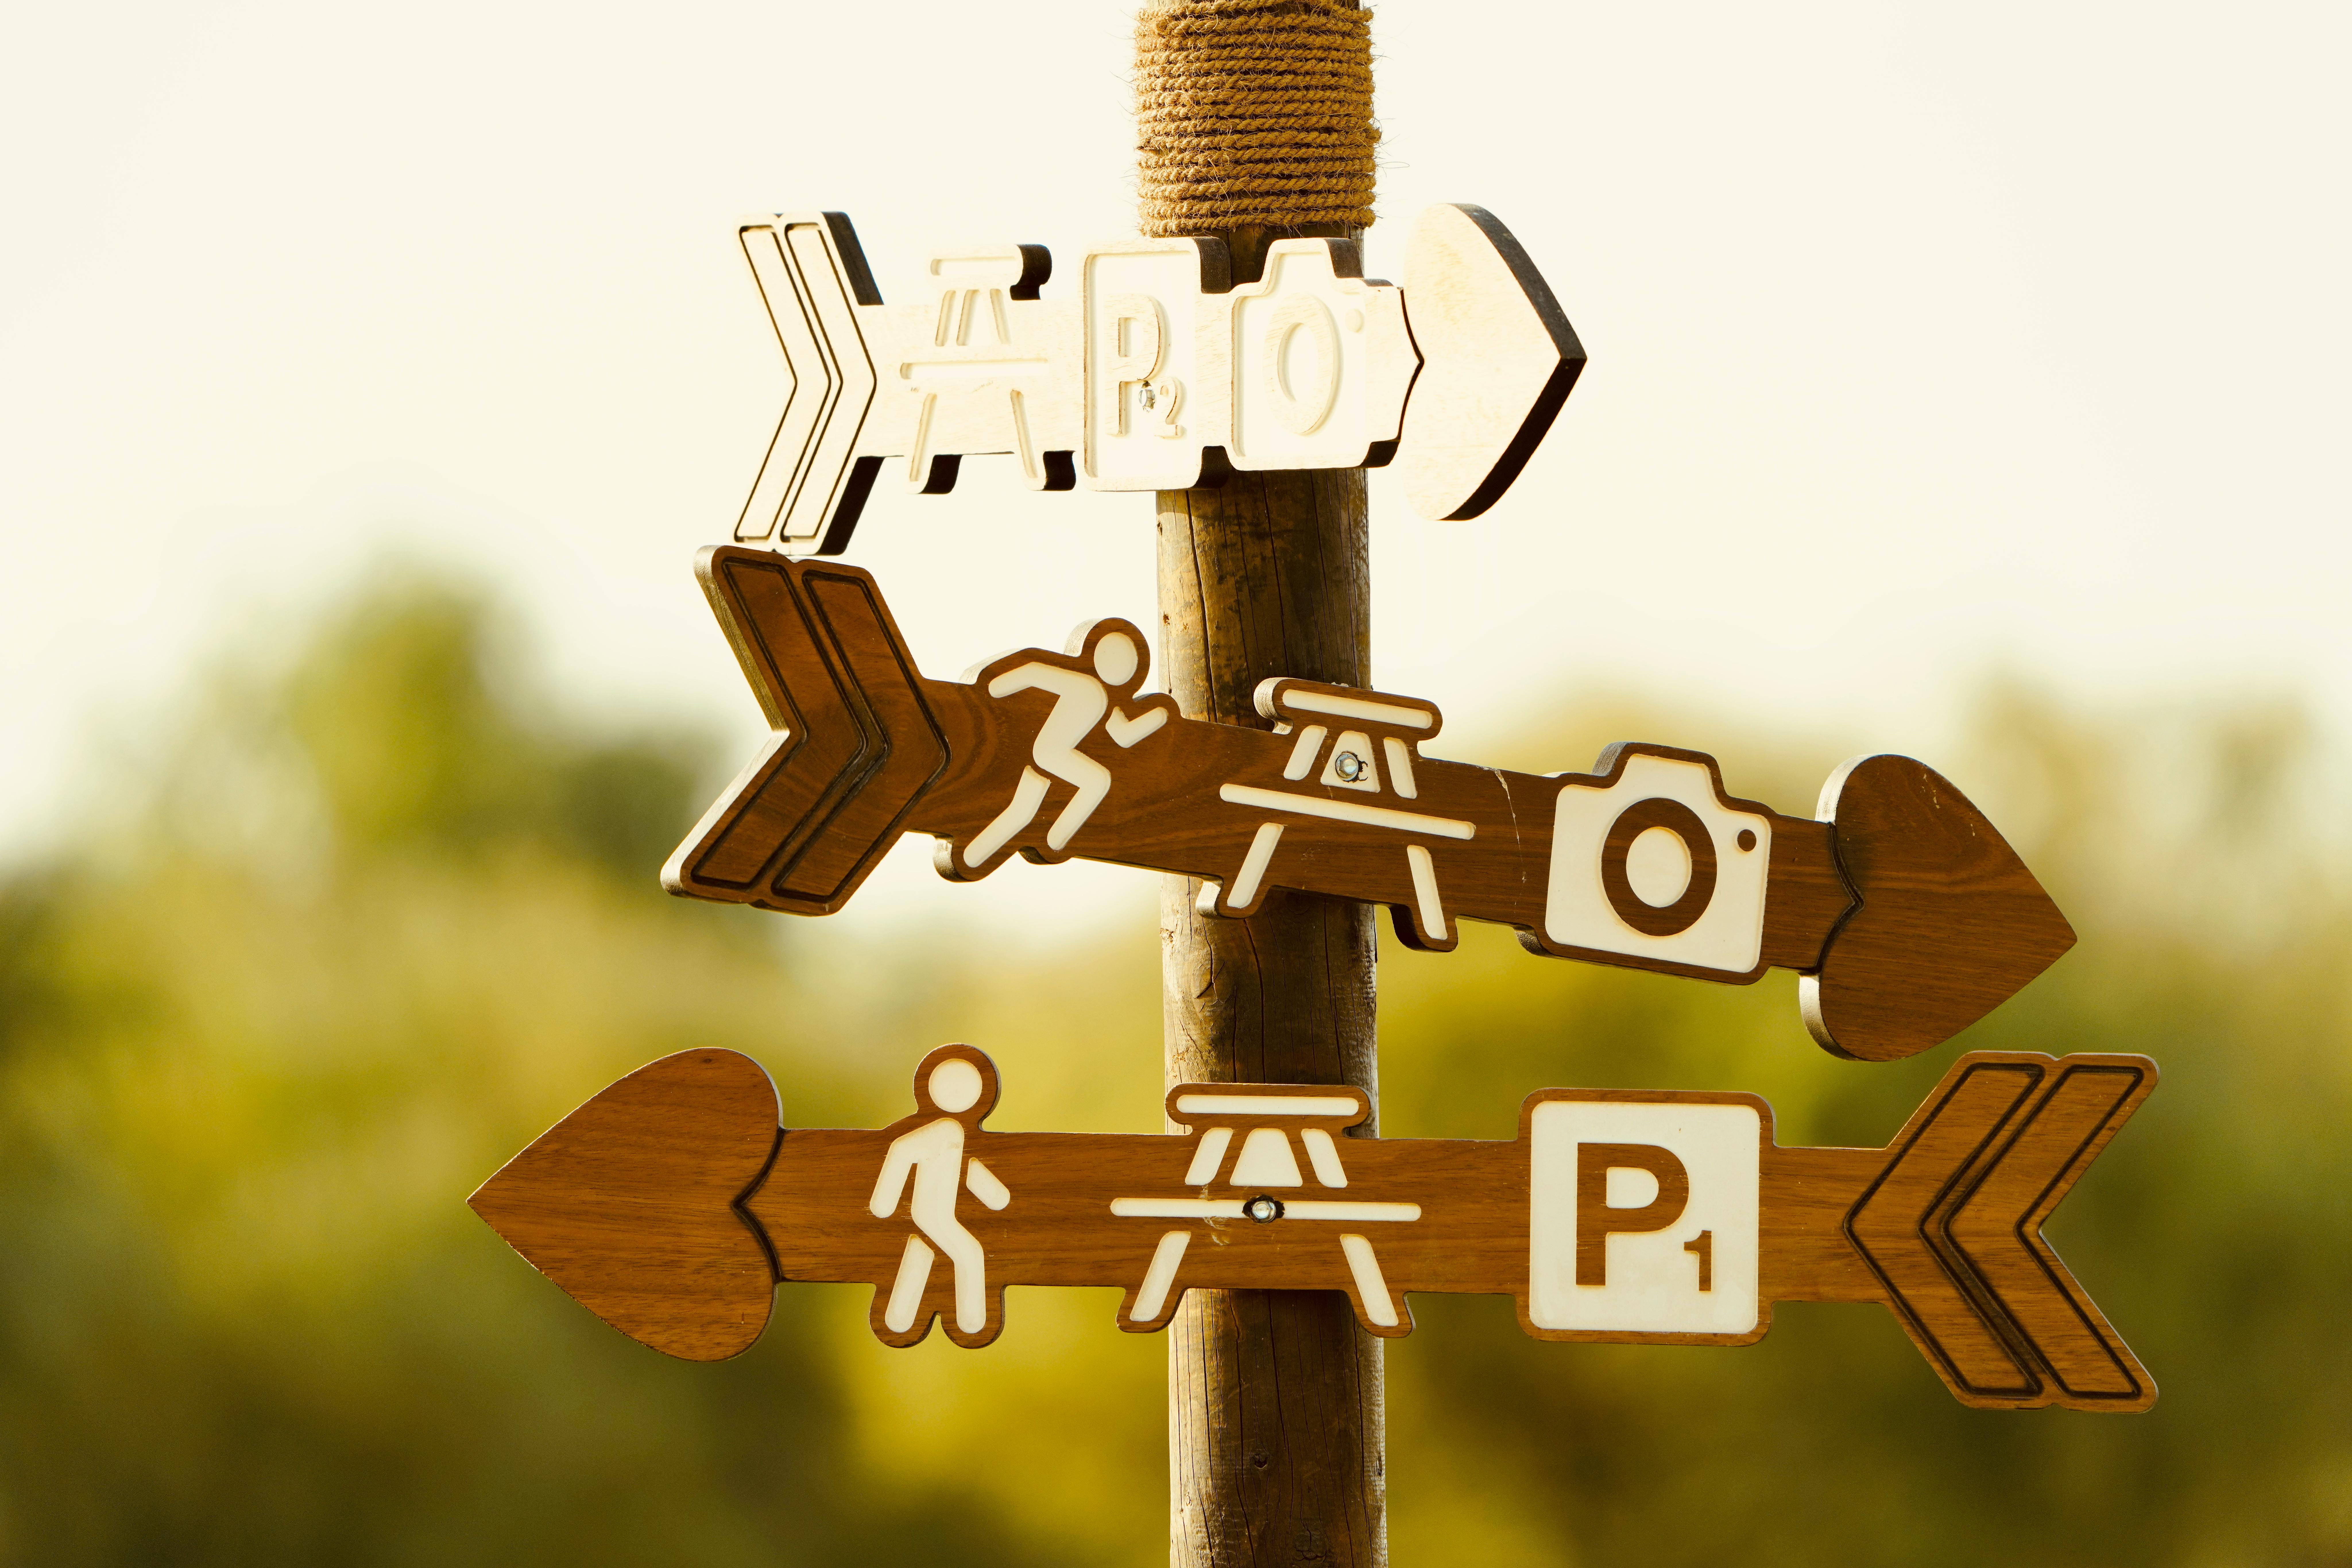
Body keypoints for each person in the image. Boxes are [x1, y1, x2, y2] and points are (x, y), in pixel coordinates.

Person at [962, 624, 1167, 870]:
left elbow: (1124, 735)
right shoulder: (1082, 683)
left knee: (1023, 810)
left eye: (1128, 664)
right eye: (1114, 655)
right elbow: (1033, 672)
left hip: (1051, 753)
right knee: (1097, 781)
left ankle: (972, 857)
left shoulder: (1106, 701)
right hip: (1051, 752)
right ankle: (1057, 838)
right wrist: (991, 689)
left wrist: (1159, 716)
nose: (1119, 666)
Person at [869, 1054, 1010, 1335]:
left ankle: (899, 1320)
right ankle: (970, 1321)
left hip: (935, 1213)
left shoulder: (954, 1132)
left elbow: (966, 1168)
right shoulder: (941, 1130)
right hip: (929, 1213)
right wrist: (884, 1200)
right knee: (968, 1252)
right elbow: (902, 1153)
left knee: (922, 1256)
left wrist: (994, 1194)